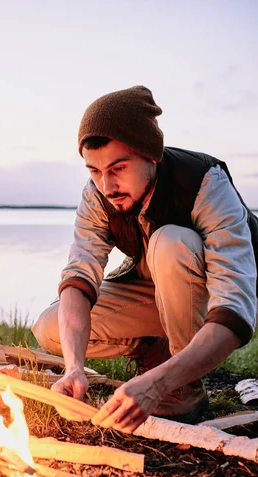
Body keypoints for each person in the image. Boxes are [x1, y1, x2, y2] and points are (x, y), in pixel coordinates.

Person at [32, 85, 258, 433]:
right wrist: (73, 367)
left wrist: (157, 386)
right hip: (159, 289)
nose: (106, 185)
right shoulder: (98, 195)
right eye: (94, 170)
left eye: (118, 167)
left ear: (151, 154)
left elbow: (235, 310)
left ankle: (182, 388)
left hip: (223, 297)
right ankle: (156, 352)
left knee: (170, 242)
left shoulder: (205, 182)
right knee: (51, 327)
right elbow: (79, 275)